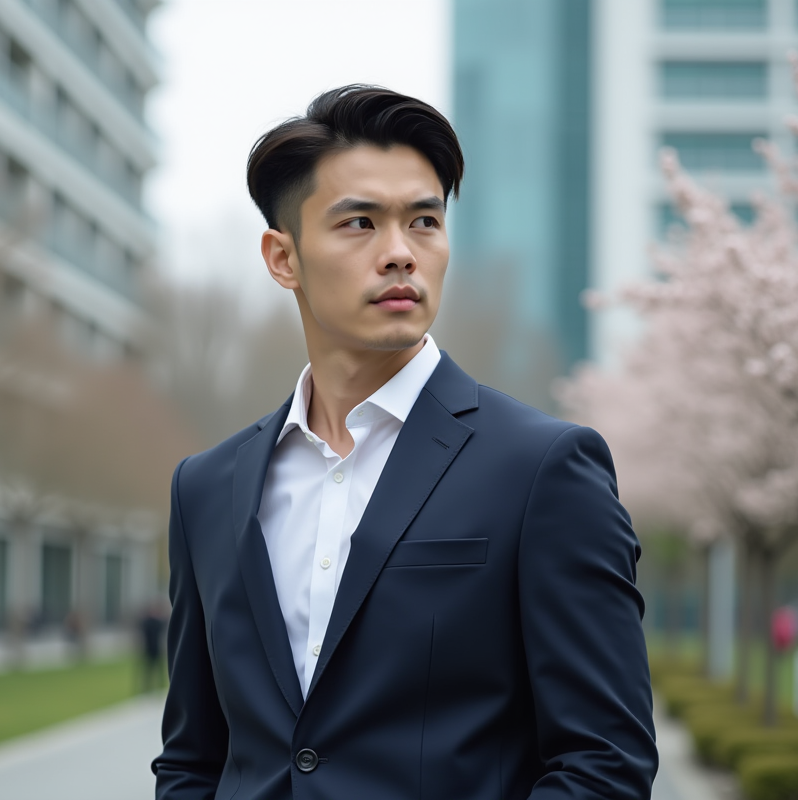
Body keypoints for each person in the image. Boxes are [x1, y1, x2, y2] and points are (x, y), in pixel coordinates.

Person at [152, 86, 658, 800]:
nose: (400, 254)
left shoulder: (543, 470)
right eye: (359, 223)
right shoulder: (205, 487)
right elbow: (193, 759)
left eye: (424, 221)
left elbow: (604, 764)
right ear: (282, 257)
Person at [139, 601, 168, 693]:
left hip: (156, 648)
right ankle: (147, 687)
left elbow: (164, 623)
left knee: (158, 670)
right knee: (148, 670)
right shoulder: (148, 622)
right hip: (148, 649)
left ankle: (160, 686)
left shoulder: (155, 622)